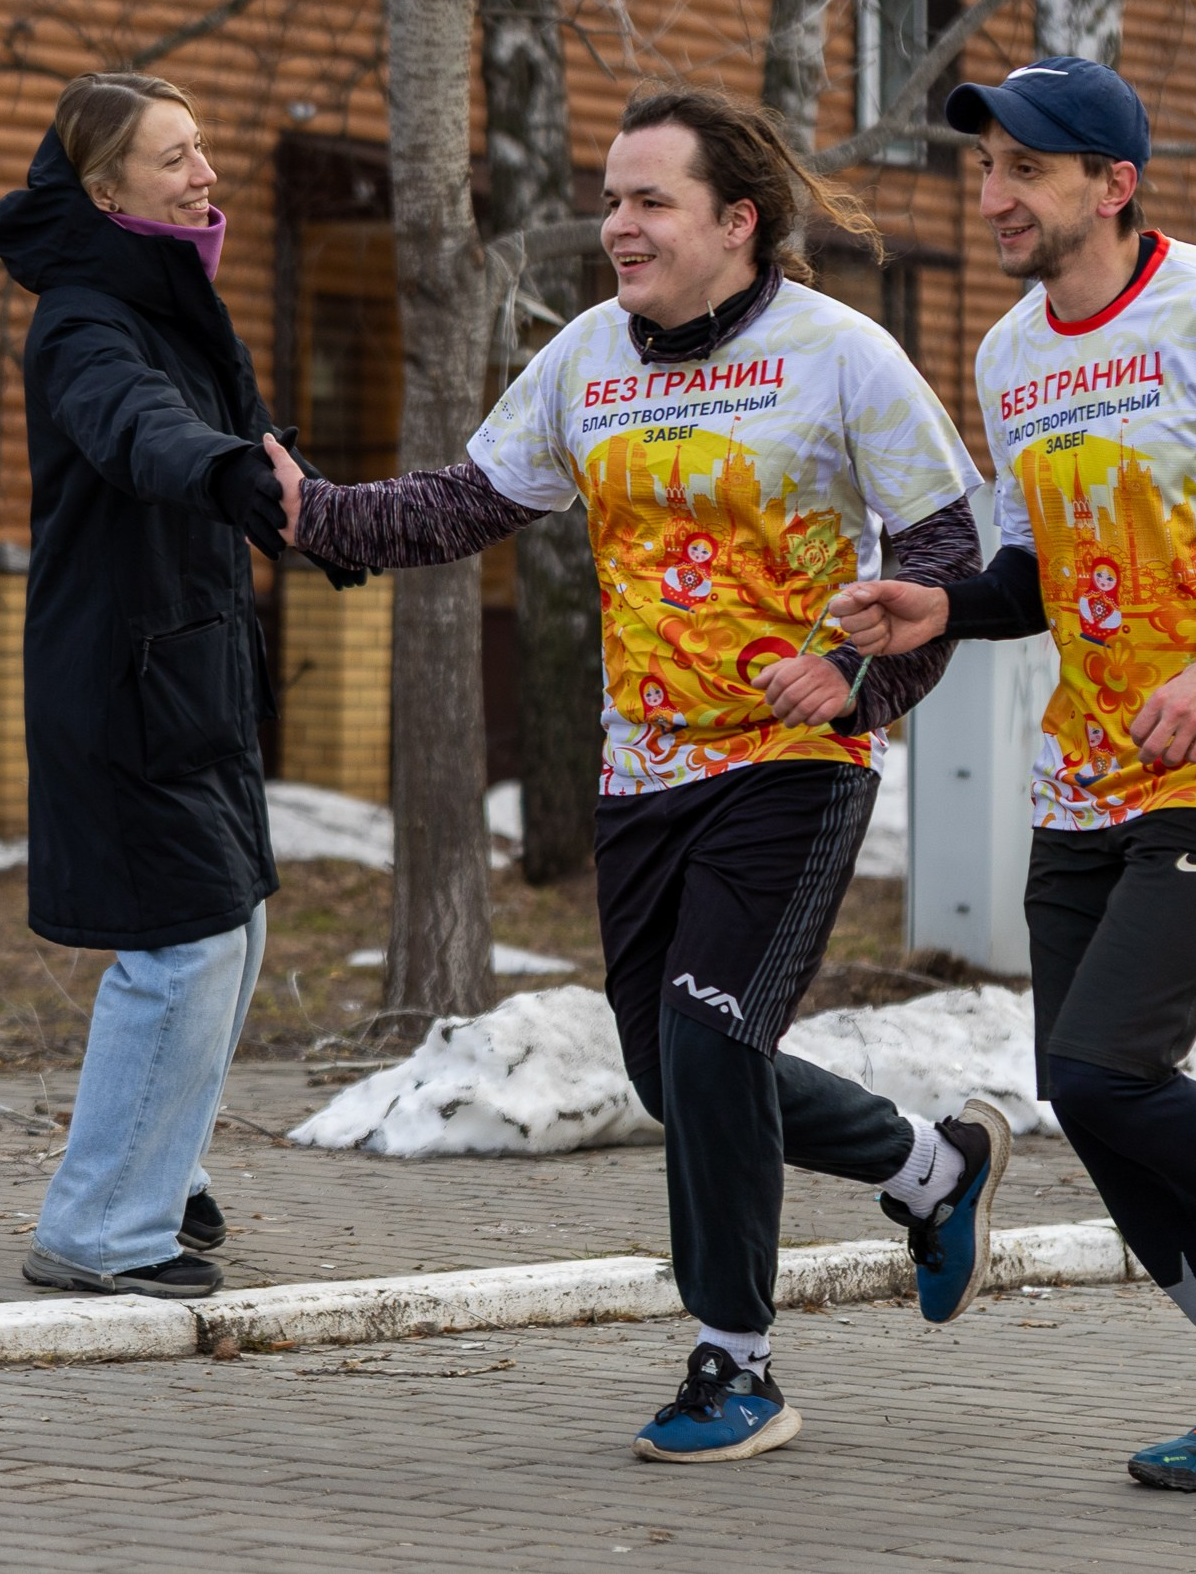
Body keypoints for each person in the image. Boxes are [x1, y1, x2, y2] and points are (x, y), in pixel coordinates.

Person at [271, 84, 1011, 1463]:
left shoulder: (843, 355)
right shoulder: (585, 361)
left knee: (710, 1025)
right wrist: (314, 507)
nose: (616, 225)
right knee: (682, 1073)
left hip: (795, 761)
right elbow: (464, 500)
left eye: (648, 199)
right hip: (642, 773)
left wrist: (853, 679)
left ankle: (735, 1361)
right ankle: (933, 1163)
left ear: (737, 220)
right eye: (611, 197)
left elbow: (945, 568)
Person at [833, 56, 1196, 1492]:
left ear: (1114, 183)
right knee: (1085, 1093)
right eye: (987, 170)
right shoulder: (1010, 354)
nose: (996, 198)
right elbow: (1039, 571)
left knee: (1111, 1063)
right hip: (1089, 761)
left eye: (1027, 170)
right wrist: (949, 607)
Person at [0, 75, 361, 1301]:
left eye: (204, 150)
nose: (207, 175)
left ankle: (159, 1177)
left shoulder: (173, 302)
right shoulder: (88, 320)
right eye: (177, 159)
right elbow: (142, 430)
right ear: (106, 192)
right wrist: (231, 477)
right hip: (125, 678)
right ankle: (101, 1228)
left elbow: (248, 445)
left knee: (225, 927)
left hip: (185, 671)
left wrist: (324, 511)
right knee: (181, 942)